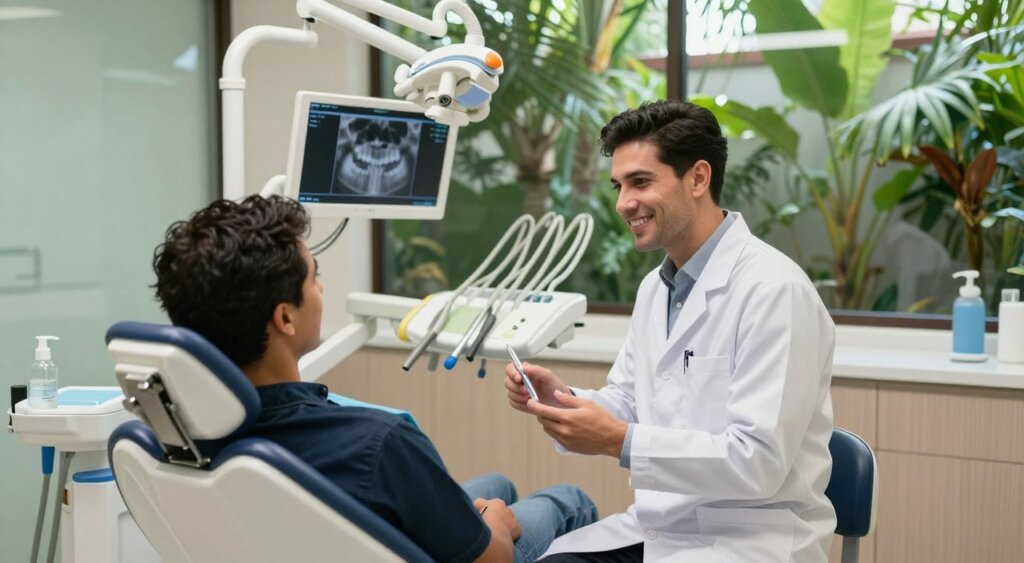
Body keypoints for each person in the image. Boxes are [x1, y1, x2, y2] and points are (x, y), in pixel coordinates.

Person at [152, 195, 597, 563]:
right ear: (285, 317)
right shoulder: (378, 442)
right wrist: (498, 522)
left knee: (496, 482)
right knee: (566, 499)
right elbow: (492, 559)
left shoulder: (180, 432)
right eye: (314, 278)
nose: (322, 290)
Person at [504, 100, 836, 563]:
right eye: (619, 185)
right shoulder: (656, 290)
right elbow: (630, 401)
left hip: (751, 539)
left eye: (640, 182)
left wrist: (620, 442)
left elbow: (758, 462)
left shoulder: (774, 291)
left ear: (698, 178)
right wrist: (560, 399)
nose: (624, 203)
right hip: (662, 529)